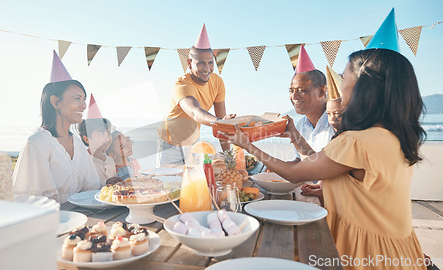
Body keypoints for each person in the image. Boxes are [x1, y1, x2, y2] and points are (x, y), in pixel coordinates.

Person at [221, 48, 426, 269]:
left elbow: (294, 173)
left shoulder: (356, 142)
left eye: (345, 77)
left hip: (365, 253)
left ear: (363, 88)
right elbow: (320, 164)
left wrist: (246, 144)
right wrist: (294, 135)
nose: (340, 86)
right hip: (399, 250)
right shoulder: (395, 137)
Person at [13, 51, 100, 203]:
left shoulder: (77, 144)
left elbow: (91, 188)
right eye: (77, 98)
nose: (83, 105)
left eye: (84, 99)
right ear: (55, 102)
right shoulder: (37, 143)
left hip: (84, 218)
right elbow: (34, 200)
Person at [156, 24, 235, 167]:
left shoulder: (218, 82)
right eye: (201, 63)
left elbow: (221, 124)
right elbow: (195, 112)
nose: (207, 68)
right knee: (169, 185)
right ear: (189, 62)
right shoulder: (182, 84)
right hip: (170, 145)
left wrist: (228, 156)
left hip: (193, 143)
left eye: (211, 63)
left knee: (196, 184)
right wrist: (220, 121)